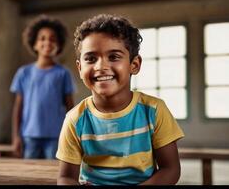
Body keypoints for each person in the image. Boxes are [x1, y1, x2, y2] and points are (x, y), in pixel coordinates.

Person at [56, 14, 185, 185]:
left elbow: (171, 169)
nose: (101, 66)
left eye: (114, 57)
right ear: (80, 68)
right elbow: (66, 177)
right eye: (91, 59)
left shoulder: (154, 110)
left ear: (134, 65)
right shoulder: (75, 120)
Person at [10, 14, 76, 159]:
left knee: (52, 173)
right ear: (34, 44)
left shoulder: (63, 73)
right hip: (29, 135)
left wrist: (72, 136)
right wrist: (16, 137)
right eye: (42, 38)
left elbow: (70, 108)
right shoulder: (24, 73)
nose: (47, 42)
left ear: (59, 46)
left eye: (53, 39)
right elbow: (18, 108)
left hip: (56, 135)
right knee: (30, 174)